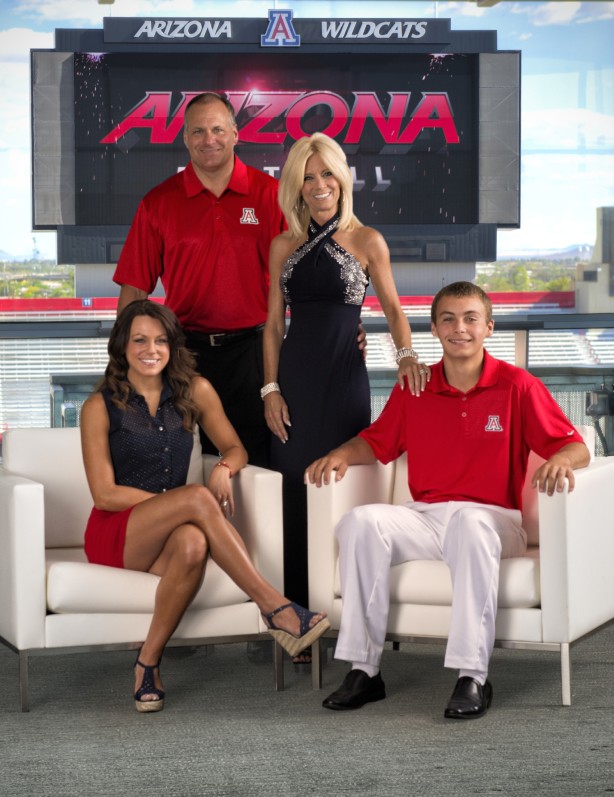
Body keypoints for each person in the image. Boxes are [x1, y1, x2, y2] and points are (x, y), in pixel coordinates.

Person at [305, 281, 591, 719]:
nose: (460, 328)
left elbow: (575, 447)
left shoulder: (518, 385)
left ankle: (471, 675)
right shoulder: (414, 388)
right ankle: (364, 670)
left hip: (494, 521)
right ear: (435, 329)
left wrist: (562, 462)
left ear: (489, 327)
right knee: (361, 522)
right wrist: (342, 453)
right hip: (427, 518)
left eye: (471, 318)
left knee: (470, 524)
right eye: (449, 319)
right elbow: (377, 443)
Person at [80, 300, 330, 713]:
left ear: (172, 345)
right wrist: (178, 503)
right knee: (195, 502)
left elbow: (235, 447)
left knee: (194, 542)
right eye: (139, 340)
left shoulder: (196, 390)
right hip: (119, 535)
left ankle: (147, 664)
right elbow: (104, 494)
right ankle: (276, 609)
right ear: (122, 345)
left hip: (176, 534)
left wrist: (224, 468)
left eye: (160, 340)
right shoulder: (99, 406)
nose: (151, 349)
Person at [262, 133, 425, 637]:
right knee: (291, 492)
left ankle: (352, 614)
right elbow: (272, 324)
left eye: (326, 174)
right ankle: (297, 619)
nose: (318, 185)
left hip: (345, 381)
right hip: (293, 384)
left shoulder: (367, 239)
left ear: (342, 179)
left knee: (343, 492)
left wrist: (406, 356)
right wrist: (270, 389)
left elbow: (394, 309)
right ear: (295, 185)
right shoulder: (282, 245)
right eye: (307, 177)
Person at [113, 92, 285, 468]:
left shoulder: (271, 196)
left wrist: (343, 324)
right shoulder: (158, 203)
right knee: (185, 460)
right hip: (185, 353)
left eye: (218, 129)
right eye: (198, 131)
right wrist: (119, 361)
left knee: (259, 460)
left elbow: (300, 277)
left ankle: (257, 530)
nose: (209, 139)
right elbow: (134, 288)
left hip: (255, 352)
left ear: (236, 134)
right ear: (186, 138)